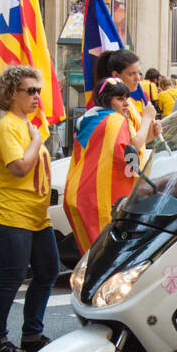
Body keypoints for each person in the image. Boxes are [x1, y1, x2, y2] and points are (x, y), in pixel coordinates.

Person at [0, 65, 59, 352]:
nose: (37, 96)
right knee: (13, 275)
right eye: (31, 91)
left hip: (36, 215)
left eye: (38, 90)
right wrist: (38, 140)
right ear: (12, 93)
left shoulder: (27, 123)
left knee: (49, 270)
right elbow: (19, 167)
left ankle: (32, 334)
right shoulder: (8, 126)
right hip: (11, 212)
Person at [63, 77, 146, 252]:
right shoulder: (114, 120)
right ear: (106, 99)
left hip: (82, 194)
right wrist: (148, 119)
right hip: (103, 198)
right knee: (107, 259)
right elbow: (128, 153)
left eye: (126, 98)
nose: (126, 104)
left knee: (93, 257)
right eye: (120, 99)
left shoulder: (89, 118)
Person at [96, 49, 162, 163]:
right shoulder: (114, 104)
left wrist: (152, 133)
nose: (138, 78)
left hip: (135, 174)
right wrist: (146, 119)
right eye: (132, 74)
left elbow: (140, 139)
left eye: (139, 73)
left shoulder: (129, 102)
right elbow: (131, 145)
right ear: (116, 75)